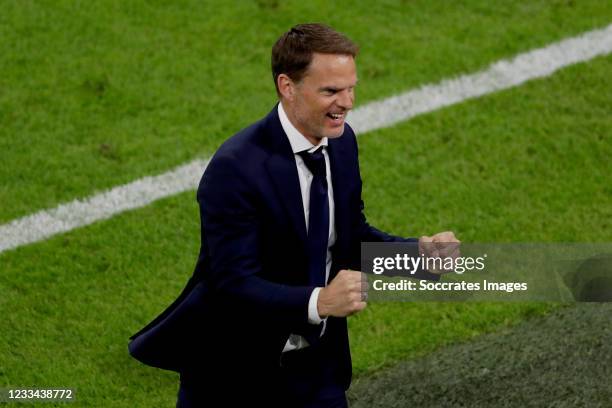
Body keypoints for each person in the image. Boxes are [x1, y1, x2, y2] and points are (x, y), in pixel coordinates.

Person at [129, 23, 459, 407]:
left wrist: (418, 255)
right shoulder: (237, 168)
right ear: (288, 87)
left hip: (317, 373)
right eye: (331, 91)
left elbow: (348, 238)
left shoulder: (341, 144)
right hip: (233, 378)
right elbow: (233, 283)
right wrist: (320, 302)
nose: (347, 102)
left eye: (351, 88)